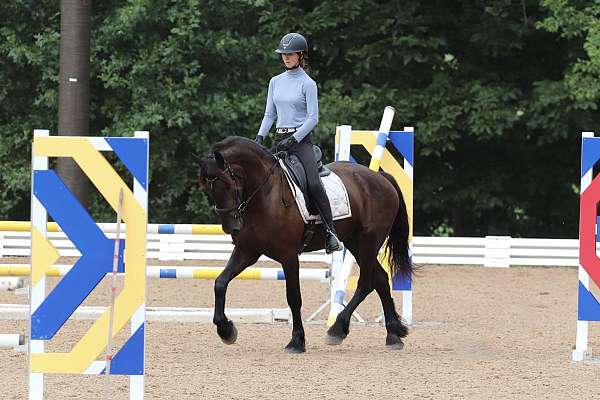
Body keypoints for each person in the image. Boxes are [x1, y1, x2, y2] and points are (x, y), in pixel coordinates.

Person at [254, 32, 342, 254]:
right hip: (279, 139)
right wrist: (259, 137)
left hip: (300, 142)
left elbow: (313, 118)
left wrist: (294, 138)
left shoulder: (307, 83)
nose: (286, 57)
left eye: (290, 54)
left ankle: (331, 233)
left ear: (300, 55)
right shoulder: (275, 82)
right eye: (283, 54)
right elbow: (269, 114)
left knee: (313, 183)